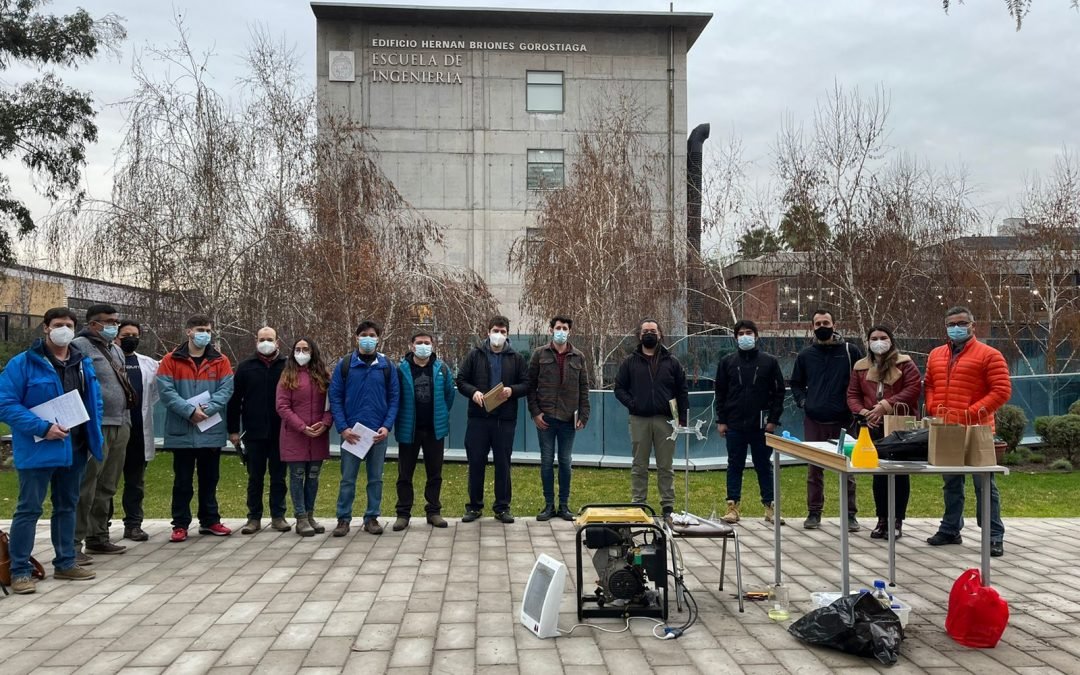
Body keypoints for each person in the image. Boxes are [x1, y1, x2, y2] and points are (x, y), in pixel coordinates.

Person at [0, 308, 104, 593]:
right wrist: (42, 428)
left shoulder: (83, 362)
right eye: (58, 325)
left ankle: (66, 562)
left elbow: (93, 402)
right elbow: (6, 404)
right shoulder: (23, 364)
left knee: (67, 506)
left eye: (69, 325)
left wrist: (95, 438)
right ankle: (20, 570)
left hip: (76, 448)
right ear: (46, 328)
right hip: (39, 448)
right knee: (29, 508)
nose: (64, 330)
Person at [924, 306, 1011, 557]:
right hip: (946, 428)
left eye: (962, 323)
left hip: (977, 430)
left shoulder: (989, 355)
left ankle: (993, 535)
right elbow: (929, 383)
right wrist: (932, 406)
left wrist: (971, 412)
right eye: (951, 324)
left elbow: (1001, 391)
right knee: (951, 482)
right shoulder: (936, 354)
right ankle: (951, 528)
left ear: (973, 325)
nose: (956, 328)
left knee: (984, 484)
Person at [157, 314, 235, 542]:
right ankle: (180, 524)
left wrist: (207, 410)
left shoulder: (221, 360)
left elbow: (226, 390)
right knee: (182, 480)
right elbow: (166, 391)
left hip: (210, 431)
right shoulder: (170, 360)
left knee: (210, 479)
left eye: (209, 331)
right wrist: (189, 411)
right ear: (188, 331)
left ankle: (210, 520)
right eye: (201, 329)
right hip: (182, 431)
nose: (205, 334)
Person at [790, 309, 864, 532]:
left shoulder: (851, 351)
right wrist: (804, 402)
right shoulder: (805, 356)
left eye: (826, 322)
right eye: (818, 323)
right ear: (812, 327)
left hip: (845, 420)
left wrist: (857, 408)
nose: (822, 326)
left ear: (834, 324)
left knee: (847, 469)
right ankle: (814, 512)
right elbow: (795, 384)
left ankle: (850, 515)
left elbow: (862, 380)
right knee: (814, 470)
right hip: (814, 419)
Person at [846, 325, 921, 539]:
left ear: (891, 340)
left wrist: (886, 405)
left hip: (899, 426)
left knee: (898, 474)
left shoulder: (905, 364)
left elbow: (913, 389)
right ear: (868, 342)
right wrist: (863, 413)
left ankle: (896, 520)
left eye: (883, 337)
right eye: (874, 338)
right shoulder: (860, 367)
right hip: (872, 426)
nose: (879, 342)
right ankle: (882, 520)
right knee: (878, 475)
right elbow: (852, 394)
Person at [73, 304, 134, 559]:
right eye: (109, 321)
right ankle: (73, 543)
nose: (114, 326)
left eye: (116, 321)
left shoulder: (116, 349)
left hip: (121, 422)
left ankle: (98, 536)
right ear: (93, 323)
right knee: (87, 484)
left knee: (108, 484)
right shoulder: (79, 346)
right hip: (96, 424)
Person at [455, 315, 529, 524]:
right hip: (478, 418)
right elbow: (461, 380)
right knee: (476, 462)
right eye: (495, 331)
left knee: (503, 464)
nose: (499, 335)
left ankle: (502, 507)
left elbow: (526, 383)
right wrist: (473, 392)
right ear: (487, 333)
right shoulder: (475, 355)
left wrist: (511, 390)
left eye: (503, 332)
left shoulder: (516, 358)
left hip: (504, 420)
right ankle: (474, 506)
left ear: (508, 334)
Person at [329, 320, 400, 536]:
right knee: (347, 479)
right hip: (352, 434)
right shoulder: (345, 365)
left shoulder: (387, 366)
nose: (368, 338)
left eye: (372, 335)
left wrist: (386, 427)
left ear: (378, 339)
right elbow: (335, 397)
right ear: (356, 337)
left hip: (378, 435)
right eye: (364, 335)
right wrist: (343, 428)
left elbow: (394, 397)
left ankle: (372, 517)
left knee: (375, 478)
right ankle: (343, 519)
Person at [614, 319, 689, 522]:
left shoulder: (672, 361)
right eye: (645, 331)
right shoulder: (630, 361)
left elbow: (682, 389)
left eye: (653, 331)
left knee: (666, 466)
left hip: (666, 421)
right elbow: (619, 388)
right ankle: (639, 503)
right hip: (639, 419)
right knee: (639, 465)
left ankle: (667, 506)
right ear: (640, 336)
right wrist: (633, 404)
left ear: (660, 335)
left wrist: (682, 417)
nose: (649, 334)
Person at [714, 319, 786, 525]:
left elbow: (779, 392)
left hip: (761, 426)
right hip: (734, 424)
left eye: (749, 333)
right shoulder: (727, 362)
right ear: (735, 337)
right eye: (741, 333)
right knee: (734, 465)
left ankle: (770, 507)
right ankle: (732, 508)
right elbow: (720, 392)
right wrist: (721, 420)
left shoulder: (769, 362)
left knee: (764, 465)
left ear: (756, 336)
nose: (745, 336)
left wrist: (773, 420)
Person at [526, 315, 590, 522]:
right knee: (546, 462)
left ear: (570, 331)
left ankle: (563, 506)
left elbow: (584, 388)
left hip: (568, 418)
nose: (561, 331)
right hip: (545, 417)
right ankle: (548, 505)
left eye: (565, 328)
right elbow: (530, 386)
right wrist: (535, 412)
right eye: (558, 327)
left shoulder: (578, 357)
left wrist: (584, 415)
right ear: (551, 329)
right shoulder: (539, 354)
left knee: (565, 461)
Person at [228, 326, 290, 535]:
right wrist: (233, 430)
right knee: (255, 477)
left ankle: (278, 516)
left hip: (281, 432)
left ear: (277, 342)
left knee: (279, 477)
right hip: (254, 433)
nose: (266, 342)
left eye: (270, 339)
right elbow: (235, 401)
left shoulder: (287, 365)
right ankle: (253, 518)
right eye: (262, 339)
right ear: (256, 342)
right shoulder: (246, 367)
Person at [393, 331, 455, 530]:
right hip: (408, 430)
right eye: (419, 342)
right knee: (405, 474)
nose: (423, 346)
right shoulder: (401, 369)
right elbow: (396, 396)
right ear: (411, 346)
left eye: (426, 343)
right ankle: (403, 514)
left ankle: (434, 511)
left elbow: (448, 396)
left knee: (434, 473)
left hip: (434, 430)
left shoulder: (442, 369)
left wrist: (441, 415)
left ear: (432, 345)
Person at [276, 338, 333, 537]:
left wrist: (325, 423)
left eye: (305, 349)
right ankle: (300, 517)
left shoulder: (323, 375)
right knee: (297, 476)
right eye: (298, 349)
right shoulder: (287, 375)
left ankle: (310, 515)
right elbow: (282, 406)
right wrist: (301, 427)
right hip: (295, 435)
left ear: (313, 351)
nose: (301, 353)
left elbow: (331, 404)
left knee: (313, 477)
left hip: (317, 435)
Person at [116, 320, 159, 542]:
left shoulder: (150, 364)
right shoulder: (107, 360)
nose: (130, 338)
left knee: (135, 483)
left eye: (134, 334)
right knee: (106, 483)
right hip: (113, 432)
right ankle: (99, 529)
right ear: (116, 336)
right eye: (126, 334)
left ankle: (133, 525)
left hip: (139, 432)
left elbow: (154, 395)